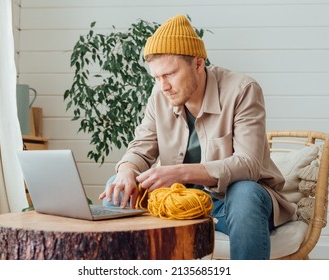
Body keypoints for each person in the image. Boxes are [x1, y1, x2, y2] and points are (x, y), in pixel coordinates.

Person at [99, 14, 296, 260]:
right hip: (179, 201)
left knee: (244, 193)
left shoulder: (242, 89)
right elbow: (141, 147)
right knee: (116, 188)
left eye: (170, 74)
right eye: (157, 77)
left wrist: (180, 172)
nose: (163, 86)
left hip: (232, 204)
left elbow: (248, 164)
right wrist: (127, 169)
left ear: (198, 64)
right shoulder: (159, 94)